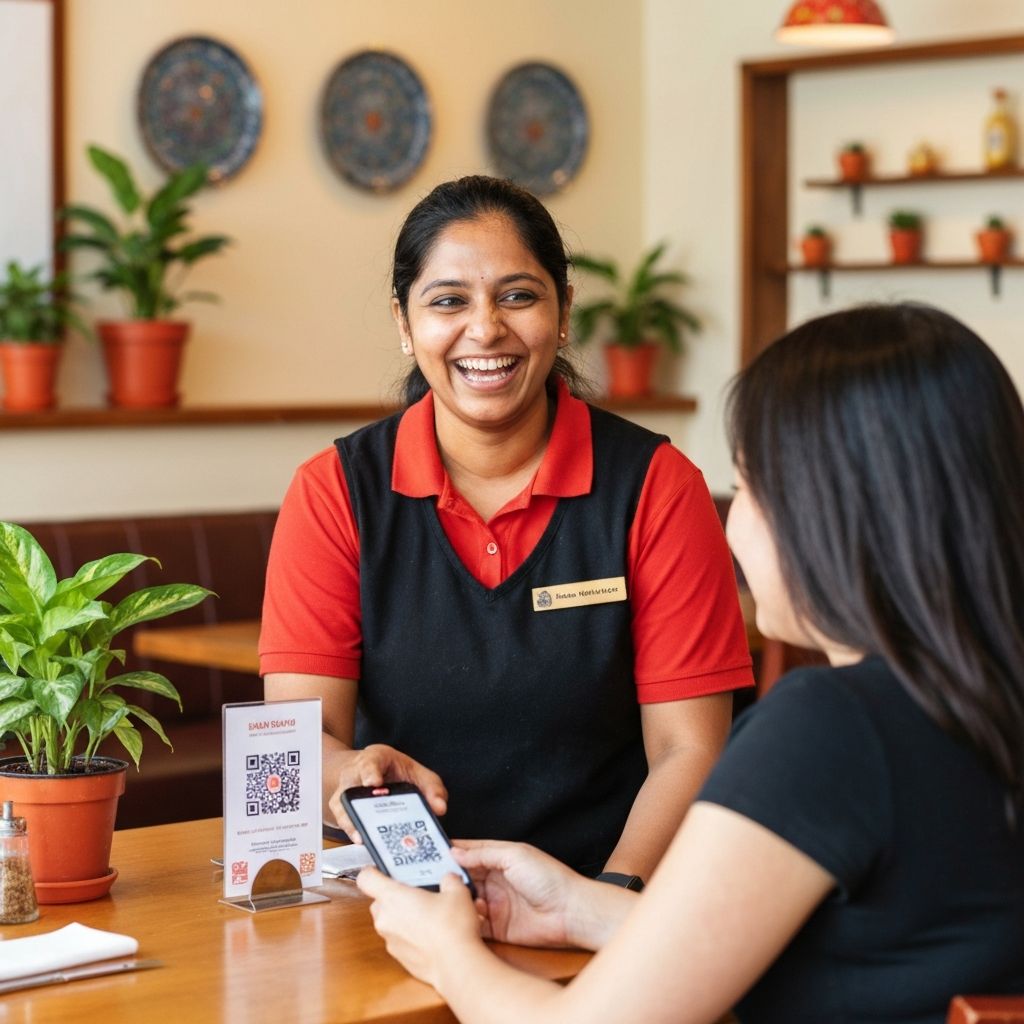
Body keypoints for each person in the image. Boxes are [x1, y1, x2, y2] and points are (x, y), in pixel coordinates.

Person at [356, 302, 1024, 1023]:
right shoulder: (977, 700)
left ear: (830, 513)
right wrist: (582, 908)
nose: (737, 524)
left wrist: (448, 952)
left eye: (751, 487)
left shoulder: (831, 729)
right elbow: (870, 948)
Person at [260, 175, 753, 881]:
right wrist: (350, 770)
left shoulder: (656, 485)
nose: (485, 329)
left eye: (518, 296)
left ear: (564, 311)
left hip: (608, 891)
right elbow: (300, 741)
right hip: (400, 900)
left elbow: (690, 751)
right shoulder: (335, 491)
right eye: (448, 302)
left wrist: (605, 904)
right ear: (405, 324)